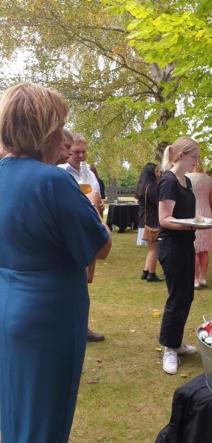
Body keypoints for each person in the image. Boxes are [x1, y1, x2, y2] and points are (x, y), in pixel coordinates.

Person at [0, 82, 111, 442]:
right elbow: (100, 247)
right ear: (43, 131)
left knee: (14, 404)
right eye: (60, 126)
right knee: (46, 414)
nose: (63, 136)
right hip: (49, 312)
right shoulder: (53, 181)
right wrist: (95, 210)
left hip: (8, 301)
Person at [158, 136, 202, 375]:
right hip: (172, 245)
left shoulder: (186, 181)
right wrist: (192, 224)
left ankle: (176, 341)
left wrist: (197, 225)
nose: (196, 161)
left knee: (187, 296)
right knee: (177, 298)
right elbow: (164, 219)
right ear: (181, 155)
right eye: (194, 156)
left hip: (186, 243)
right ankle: (169, 348)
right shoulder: (168, 181)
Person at [59, 133, 105, 342]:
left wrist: (99, 204)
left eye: (84, 151)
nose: (81, 156)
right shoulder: (59, 172)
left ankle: (81, 326)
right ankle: (70, 327)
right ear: (67, 151)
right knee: (69, 282)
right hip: (68, 236)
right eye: (76, 152)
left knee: (84, 282)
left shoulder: (87, 171)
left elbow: (95, 196)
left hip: (87, 232)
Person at [187, 164, 212, 289]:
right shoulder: (209, 180)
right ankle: (203, 278)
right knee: (204, 249)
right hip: (206, 213)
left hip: (193, 213)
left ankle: (195, 280)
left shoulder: (186, 177)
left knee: (194, 249)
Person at [135, 162, 163, 282]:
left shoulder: (143, 185)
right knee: (154, 249)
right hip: (151, 221)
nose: (159, 173)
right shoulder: (151, 187)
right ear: (151, 173)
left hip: (145, 220)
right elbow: (158, 204)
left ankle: (146, 271)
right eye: (157, 171)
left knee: (151, 248)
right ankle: (151, 274)